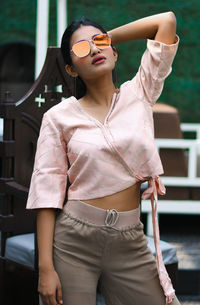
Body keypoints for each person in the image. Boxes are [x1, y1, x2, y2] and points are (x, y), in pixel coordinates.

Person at [26, 12, 181, 305]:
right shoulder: (58, 117)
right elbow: (47, 194)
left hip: (130, 237)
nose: (95, 50)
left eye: (99, 42)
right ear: (71, 69)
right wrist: (45, 270)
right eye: (82, 48)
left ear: (114, 51)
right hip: (74, 240)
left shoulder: (140, 93)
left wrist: (107, 37)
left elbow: (166, 22)